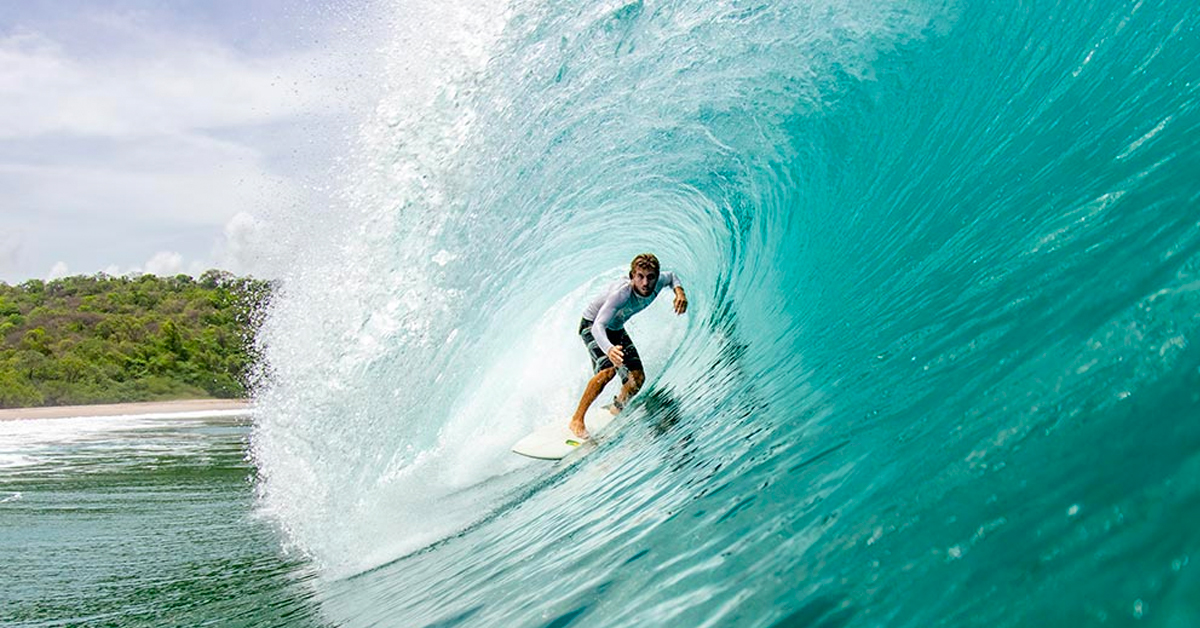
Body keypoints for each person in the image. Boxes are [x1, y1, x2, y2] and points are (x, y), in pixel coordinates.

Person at [569, 253, 687, 438]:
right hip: (592, 325)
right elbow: (598, 326)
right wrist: (609, 350)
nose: (645, 283)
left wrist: (679, 292)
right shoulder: (621, 294)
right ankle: (576, 419)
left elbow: (672, 276)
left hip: (615, 328)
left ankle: (617, 408)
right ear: (632, 276)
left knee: (637, 379)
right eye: (640, 276)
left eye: (650, 277)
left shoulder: (658, 281)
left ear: (656, 276)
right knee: (607, 371)